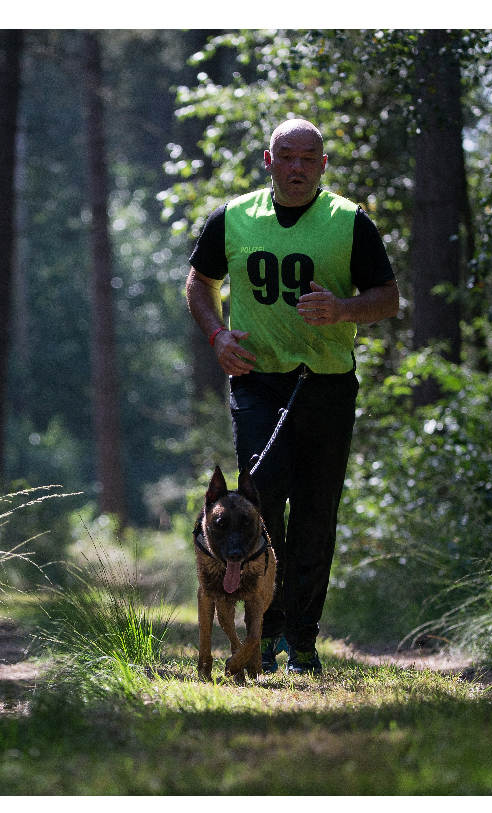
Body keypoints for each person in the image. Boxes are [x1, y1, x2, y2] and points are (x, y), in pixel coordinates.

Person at [184, 118, 399, 674]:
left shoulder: (349, 222)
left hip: (325, 384)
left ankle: (303, 639)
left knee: (315, 516)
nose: (297, 167)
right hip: (257, 381)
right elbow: (199, 283)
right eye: (287, 156)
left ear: (323, 165)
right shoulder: (232, 218)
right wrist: (218, 336)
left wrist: (344, 309)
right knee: (260, 507)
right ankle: (266, 632)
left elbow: (388, 298)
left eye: (308, 158)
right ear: (269, 160)